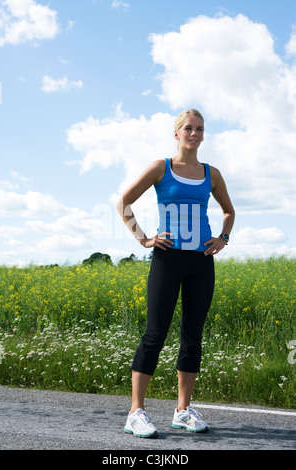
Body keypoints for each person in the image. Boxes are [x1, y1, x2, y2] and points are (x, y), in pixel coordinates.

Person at [116, 109, 235, 438]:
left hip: (201, 261)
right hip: (167, 259)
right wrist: (143, 238)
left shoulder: (211, 173)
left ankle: (182, 410)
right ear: (177, 133)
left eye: (199, 129)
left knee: (192, 336)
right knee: (155, 333)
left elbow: (229, 211)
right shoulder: (161, 168)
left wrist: (223, 238)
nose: (194, 134)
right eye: (188, 128)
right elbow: (124, 201)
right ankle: (135, 412)